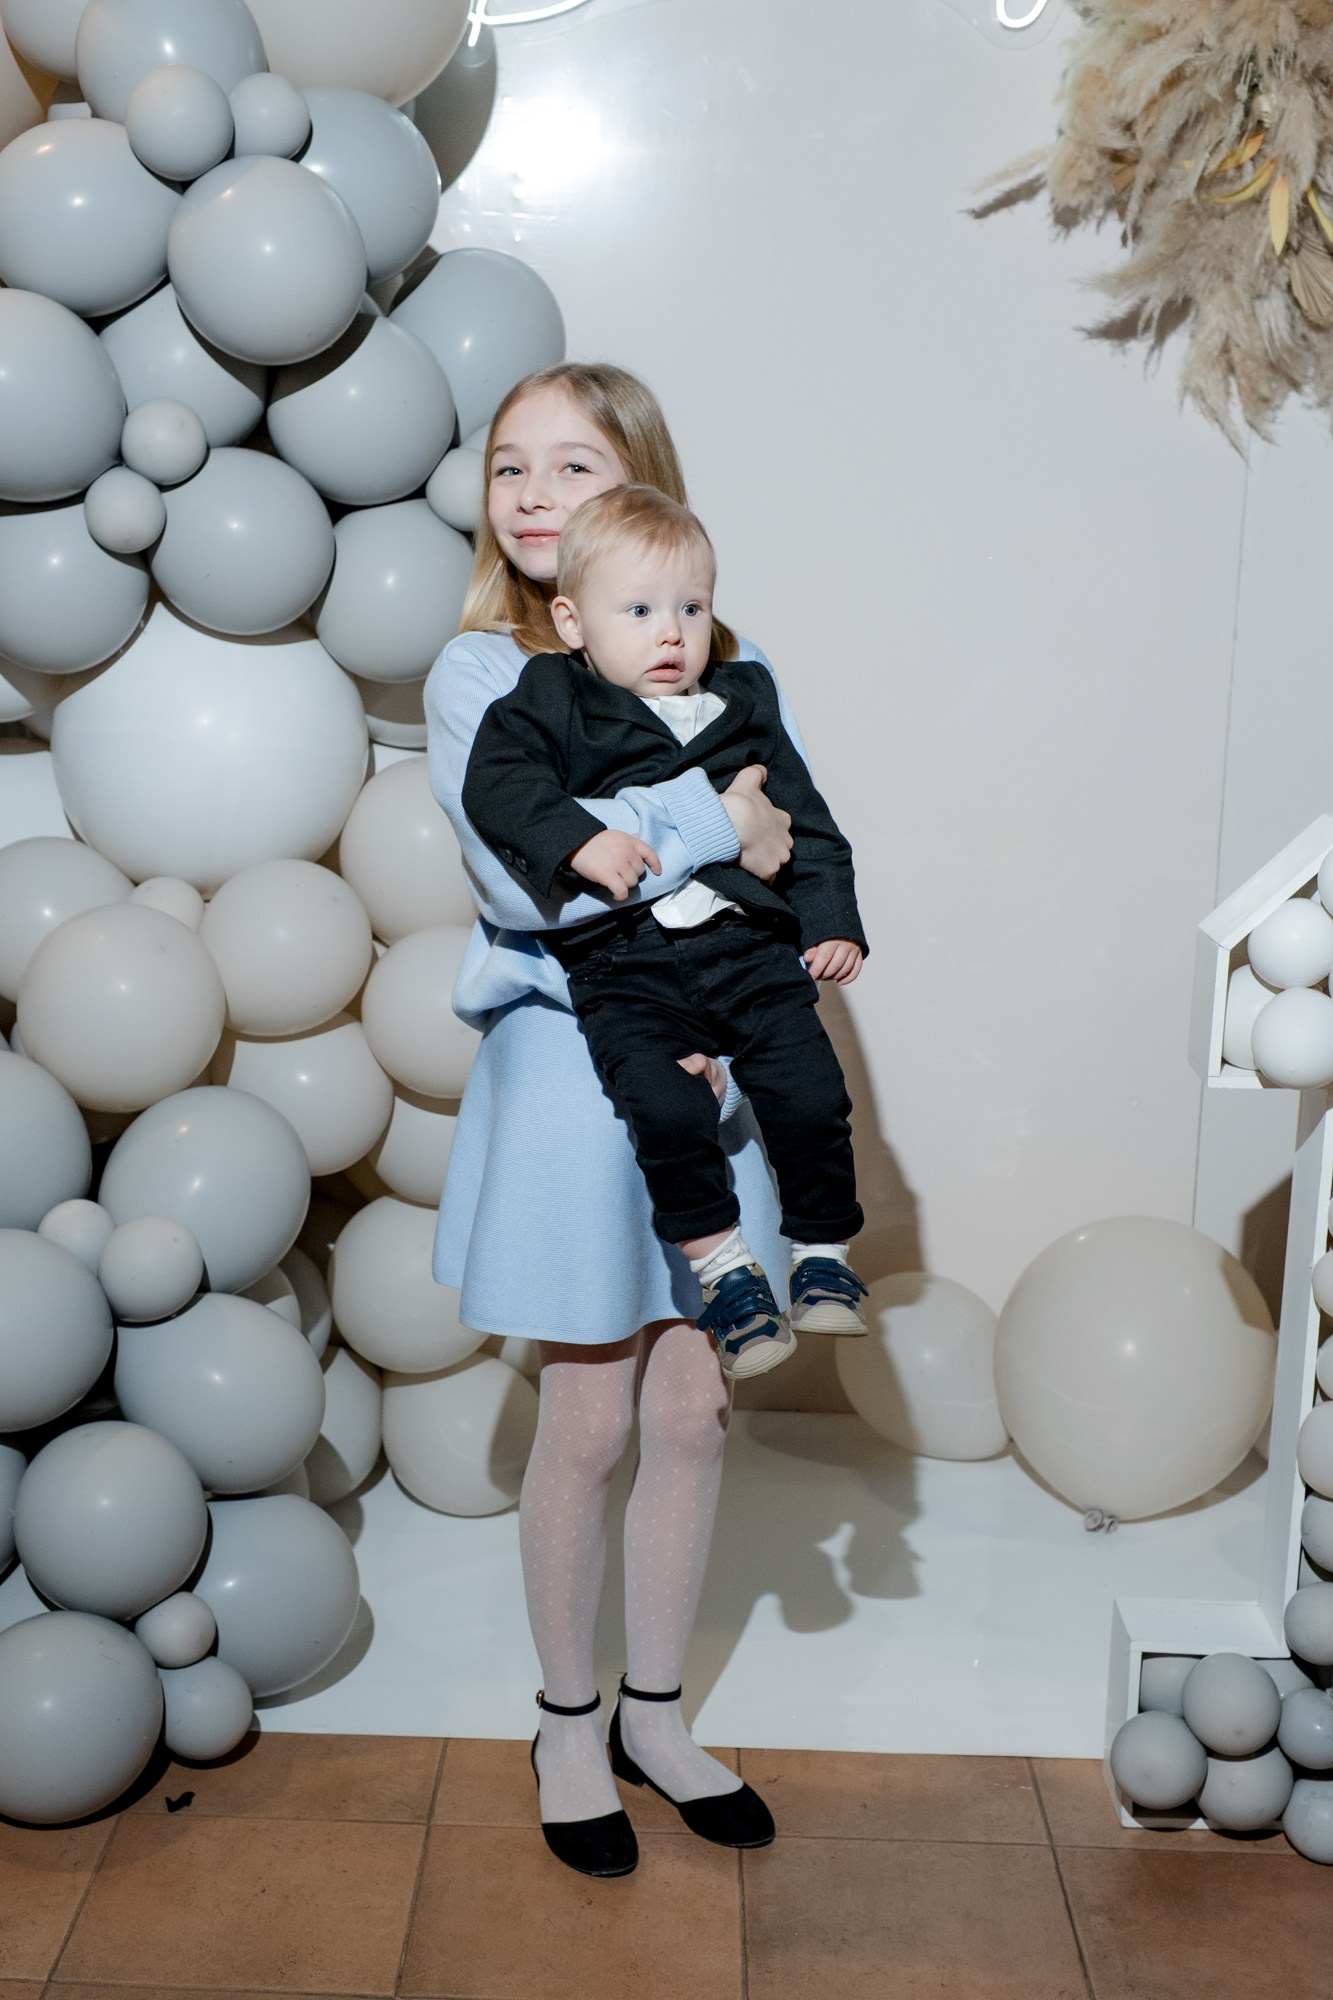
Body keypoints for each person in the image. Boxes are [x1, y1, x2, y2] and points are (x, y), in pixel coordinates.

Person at [424, 363, 819, 1880]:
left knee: (694, 1406)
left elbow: (789, 849)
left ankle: (656, 1714)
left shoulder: (728, 655)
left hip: (719, 1059)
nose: (532, 494)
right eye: (509, 466)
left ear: (640, 482)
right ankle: (567, 1724)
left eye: (572, 465)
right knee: (587, 1417)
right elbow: (528, 882)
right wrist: (711, 819)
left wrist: (723, 867)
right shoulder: (480, 672)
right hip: (576, 1069)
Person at [460, 483, 869, 1383]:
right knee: (665, 1109)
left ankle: (821, 1252)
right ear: (572, 622)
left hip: (745, 950)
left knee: (809, 1090)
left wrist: (833, 921)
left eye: (691, 608)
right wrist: (579, 838)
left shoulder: (744, 696)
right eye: (639, 612)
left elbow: (806, 822)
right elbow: (497, 784)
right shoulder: (549, 695)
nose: (671, 634)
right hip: (625, 966)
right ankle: (724, 1271)